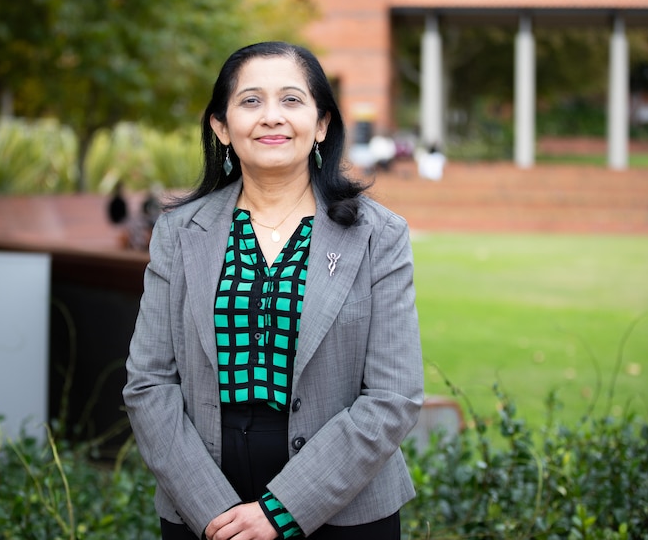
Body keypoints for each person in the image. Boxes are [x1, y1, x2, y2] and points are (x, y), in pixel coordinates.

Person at [122, 41, 423, 540]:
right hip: (206, 507)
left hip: (344, 507)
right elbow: (149, 383)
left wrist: (281, 511)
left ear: (322, 123)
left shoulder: (378, 235)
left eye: (290, 100)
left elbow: (394, 396)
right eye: (250, 101)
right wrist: (213, 511)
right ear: (221, 126)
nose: (271, 117)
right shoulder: (178, 232)